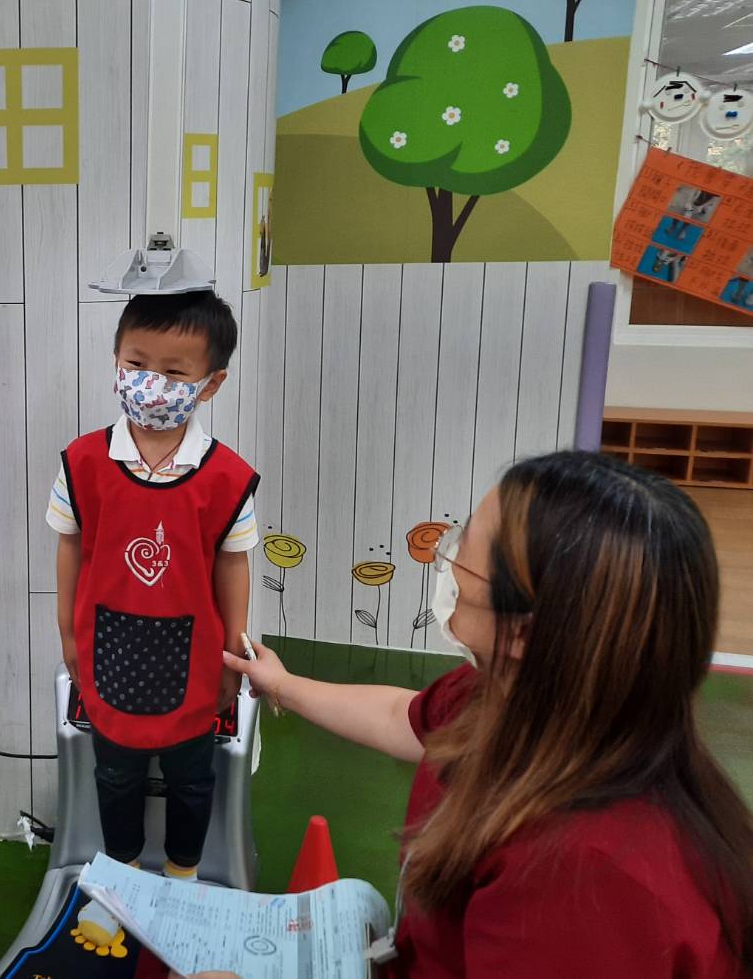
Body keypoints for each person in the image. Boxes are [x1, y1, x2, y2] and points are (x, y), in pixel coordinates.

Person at [220, 451, 753, 977]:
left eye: (463, 551)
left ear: (524, 630)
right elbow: (403, 717)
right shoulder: (509, 696)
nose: (446, 561)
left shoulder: (582, 882)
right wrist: (283, 685)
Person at [47, 289, 259, 949]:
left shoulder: (226, 477)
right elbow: (69, 548)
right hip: (107, 653)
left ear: (210, 383)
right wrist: (67, 634)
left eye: (173, 371)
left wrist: (234, 655)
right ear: (115, 360)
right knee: (114, 777)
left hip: (194, 661)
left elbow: (233, 565)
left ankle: (183, 878)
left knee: (193, 779)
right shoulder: (83, 462)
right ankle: (120, 883)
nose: (151, 383)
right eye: (137, 364)